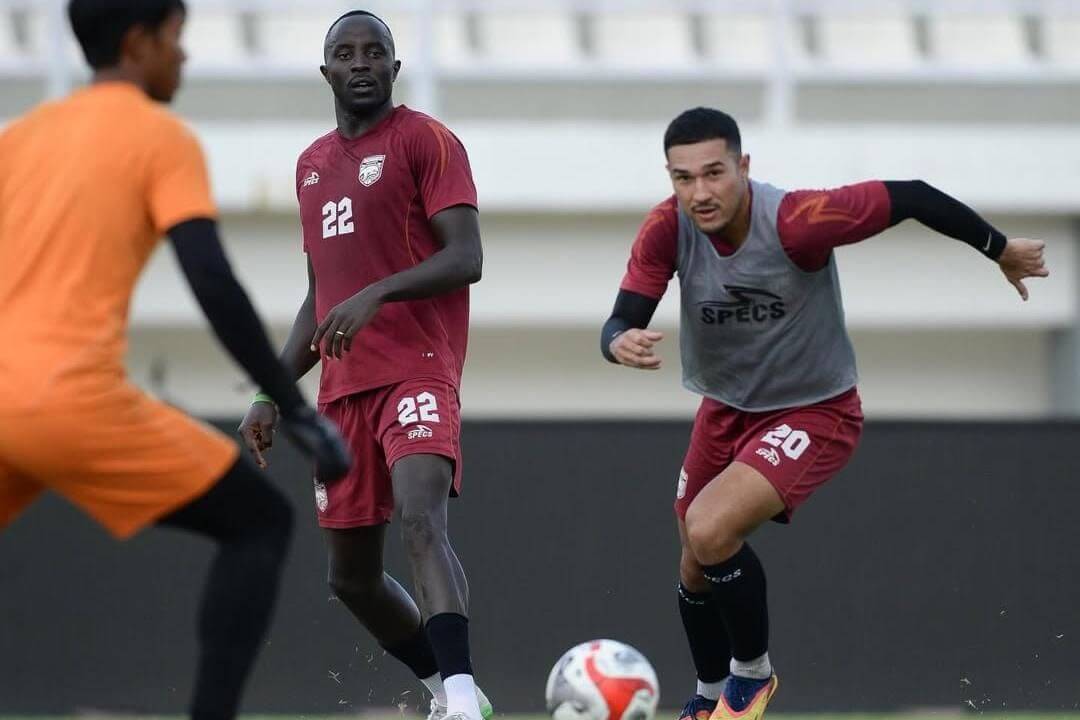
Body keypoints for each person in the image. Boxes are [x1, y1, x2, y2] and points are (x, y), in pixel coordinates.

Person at [600, 107, 1048, 720]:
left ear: (744, 166)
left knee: (709, 528)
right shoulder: (665, 228)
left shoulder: (796, 222)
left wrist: (998, 249)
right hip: (724, 409)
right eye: (683, 178)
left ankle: (752, 678)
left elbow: (910, 196)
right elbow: (622, 316)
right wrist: (617, 340)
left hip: (815, 409)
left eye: (713, 173)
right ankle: (706, 701)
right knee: (693, 559)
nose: (699, 193)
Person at [0, 2, 350, 719]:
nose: (183, 58)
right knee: (259, 523)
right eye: (175, 40)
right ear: (138, 43)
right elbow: (213, 284)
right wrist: (292, 405)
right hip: (69, 401)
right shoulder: (161, 139)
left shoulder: (20, 138)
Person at [237, 11, 489, 720]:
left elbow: (466, 257)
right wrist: (271, 392)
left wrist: (378, 292)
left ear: (394, 67)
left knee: (420, 521)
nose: (361, 62)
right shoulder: (311, 165)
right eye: (345, 53)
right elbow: (322, 292)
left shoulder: (426, 141)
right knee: (351, 579)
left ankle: (463, 703)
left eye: (375, 51)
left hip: (418, 367)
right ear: (326, 73)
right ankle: (452, 692)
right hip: (344, 393)